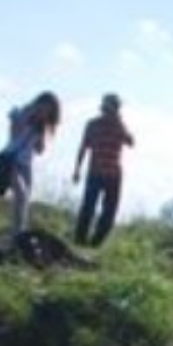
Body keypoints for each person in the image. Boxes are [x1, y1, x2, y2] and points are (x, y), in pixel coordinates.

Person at [71, 93, 134, 247]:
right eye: (113, 106)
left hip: (113, 174)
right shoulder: (93, 124)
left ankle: (95, 243)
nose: (115, 109)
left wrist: (120, 124)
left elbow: (131, 141)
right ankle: (80, 241)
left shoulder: (118, 125)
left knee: (109, 212)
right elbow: (83, 147)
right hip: (97, 172)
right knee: (88, 208)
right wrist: (77, 169)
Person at [3, 91, 62, 241]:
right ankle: (16, 235)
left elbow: (39, 150)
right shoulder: (21, 113)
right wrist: (22, 124)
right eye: (44, 109)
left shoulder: (40, 125)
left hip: (26, 165)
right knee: (21, 195)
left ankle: (18, 234)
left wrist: (40, 136)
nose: (44, 113)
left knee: (24, 200)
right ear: (39, 103)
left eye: (48, 112)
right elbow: (13, 137)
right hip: (12, 160)